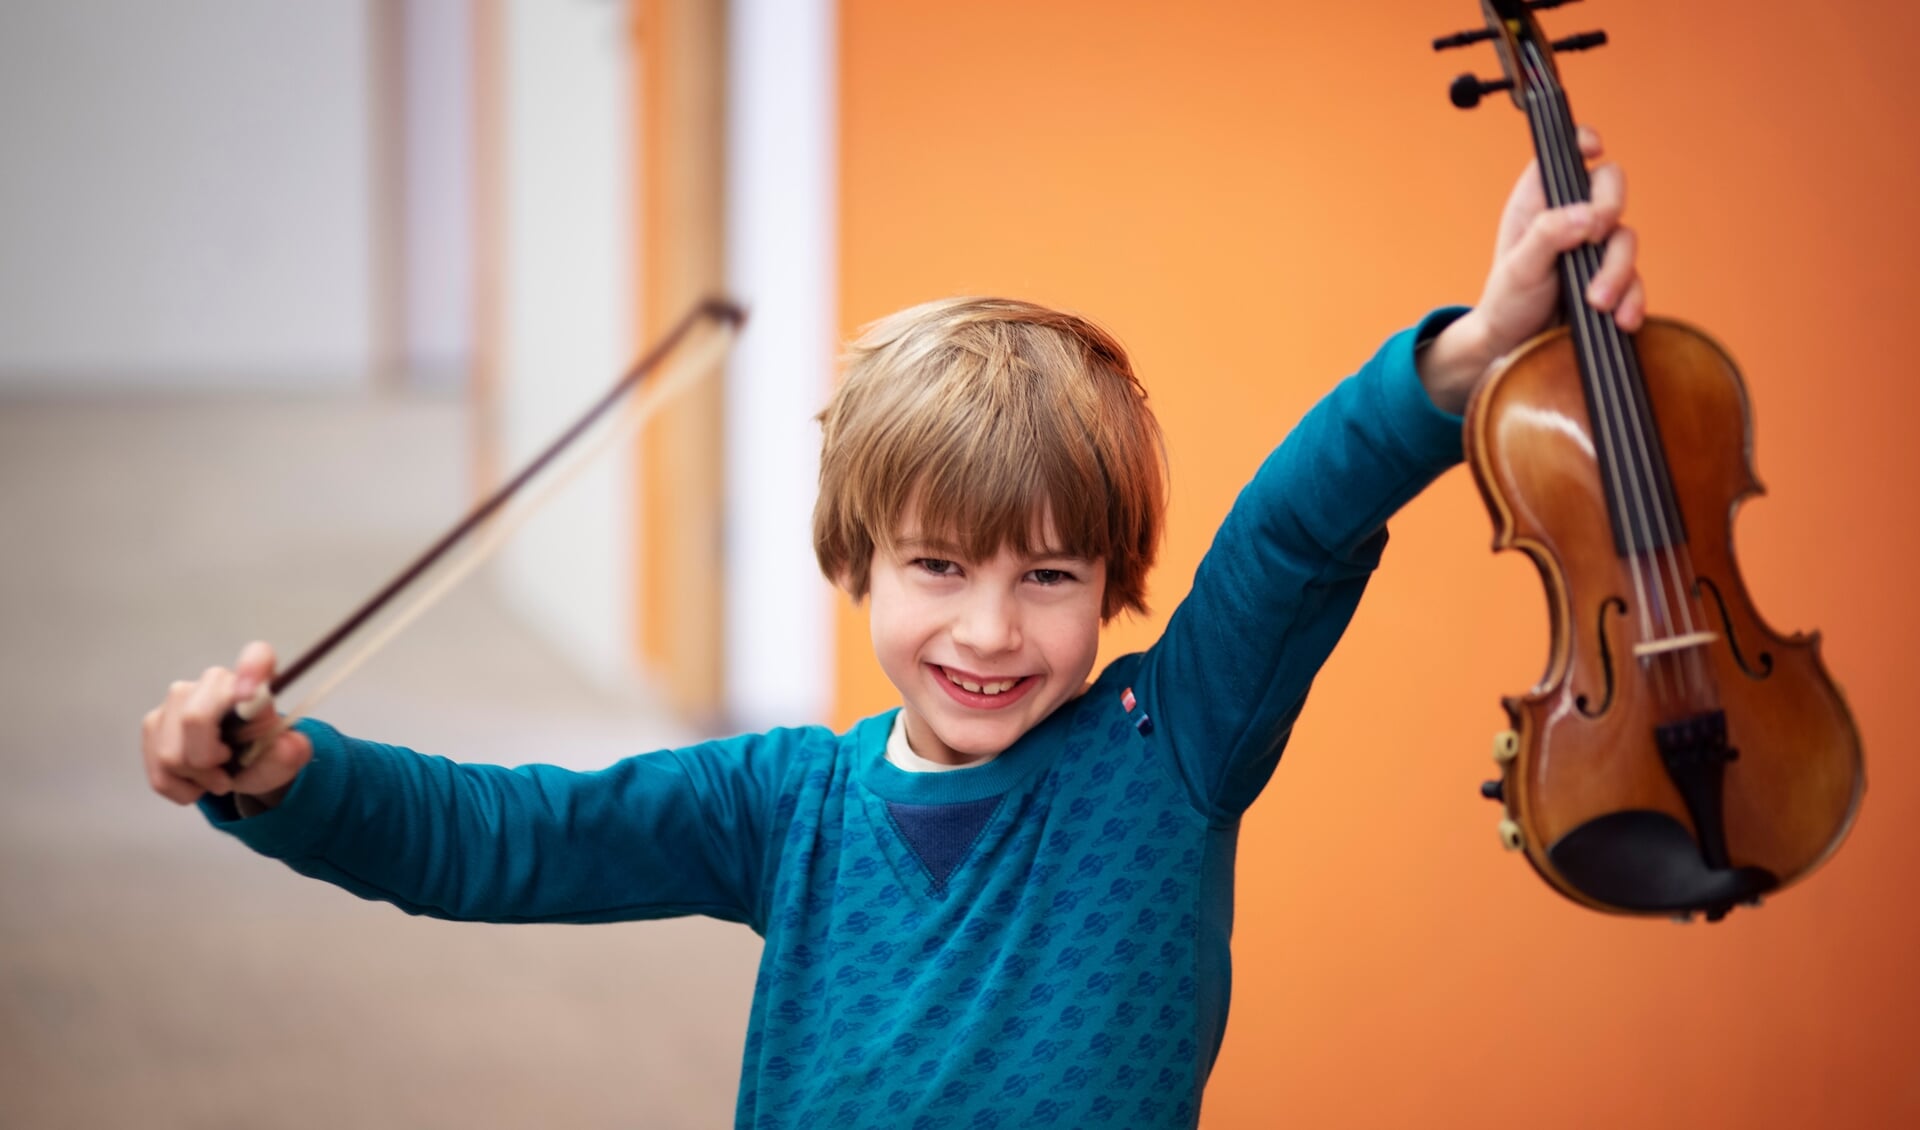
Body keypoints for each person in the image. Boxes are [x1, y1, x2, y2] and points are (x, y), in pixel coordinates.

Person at [141, 127, 1642, 1128]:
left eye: (1049, 576)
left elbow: (1299, 522)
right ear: (852, 560)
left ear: (1115, 583)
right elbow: (500, 839)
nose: (988, 628)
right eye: (936, 566)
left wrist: (1464, 361)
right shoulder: (780, 802)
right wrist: (286, 777)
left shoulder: (1168, 750)